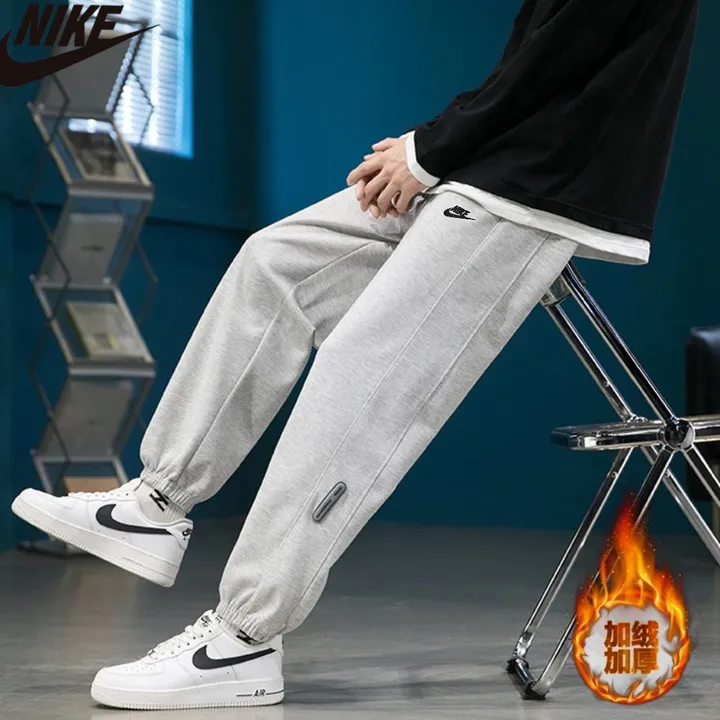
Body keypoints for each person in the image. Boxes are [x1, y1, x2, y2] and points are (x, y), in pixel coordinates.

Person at [11, 0, 699, 710]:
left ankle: (245, 639)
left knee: (362, 376)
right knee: (275, 262)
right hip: (487, 163)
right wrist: (435, 146)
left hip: (543, 184)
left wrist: (429, 151)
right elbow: (531, 57)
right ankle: (157, 502)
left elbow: (566, 51)